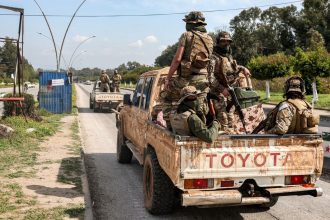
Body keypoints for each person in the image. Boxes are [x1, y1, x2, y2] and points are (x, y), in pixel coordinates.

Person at [161, 11, 214, 126]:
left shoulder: (186, 35)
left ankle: (170, 126)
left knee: (166, 96)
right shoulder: (210, 39)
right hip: (203, 81)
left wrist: (168, 79)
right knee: (200, 105)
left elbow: (177, 59)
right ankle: (202, 123)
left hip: (186, 80)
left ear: (190, 23)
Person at [208, 31, 252, 130]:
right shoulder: (213, 57)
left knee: (231, 117)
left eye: (228, 41)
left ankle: (231, 136)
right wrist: (222, 89)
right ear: (218, 42)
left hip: (230, 91)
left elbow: (233, 69)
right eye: (223, 41)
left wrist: (243, 68)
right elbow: (210, 78)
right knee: (223, 118)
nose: (226, 43)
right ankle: (222, 138)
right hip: (217, 93)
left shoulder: (228, 56)